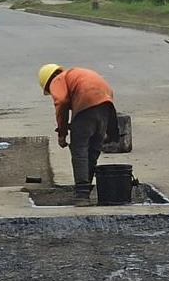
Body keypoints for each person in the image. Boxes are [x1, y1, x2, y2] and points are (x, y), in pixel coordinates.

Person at [38, 64, 120, 197]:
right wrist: (109, 131)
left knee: (79, 149)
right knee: (93, 149)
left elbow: (62, 101)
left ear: (48, 83)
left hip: (87, 101)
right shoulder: (75, 74)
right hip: (105, 102)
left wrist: (62, 133)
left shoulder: (57, 80)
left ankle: (82, 193)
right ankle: (86, 187)